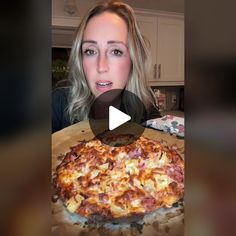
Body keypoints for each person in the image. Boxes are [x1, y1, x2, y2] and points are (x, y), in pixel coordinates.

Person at [52, 0, 161, 133]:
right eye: (90, 51)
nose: (101, 67)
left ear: (134, 59)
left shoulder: (145, 103)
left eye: (116, 51)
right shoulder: (58, 102)